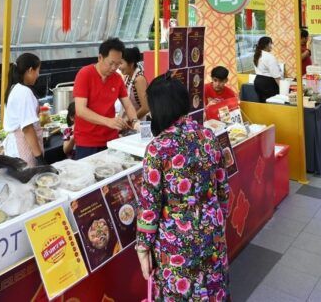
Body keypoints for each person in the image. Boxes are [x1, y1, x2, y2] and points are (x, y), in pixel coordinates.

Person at [135, 74, 230, 300]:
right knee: (211, 287)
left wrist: (143, 247)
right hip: (212, 228)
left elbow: (150, 204)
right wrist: (220, 217)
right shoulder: (208, 136)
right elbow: (223, 187)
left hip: (176, 239)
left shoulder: (157, 148)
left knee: (180, 292)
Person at [73, 38, 140, 159]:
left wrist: (135, 122)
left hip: (110, 139)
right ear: (100, 58)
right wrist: (108, 121)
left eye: (118, 64)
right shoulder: (85, 74)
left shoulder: (117, 78)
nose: (114, 68)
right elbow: (80, 110)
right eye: (111, 63)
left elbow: (128, 105)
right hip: (87, 141)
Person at [2, 53, 45, 167]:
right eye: (38, 71)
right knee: (28, 176)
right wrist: (39, 158)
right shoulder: (24, 92)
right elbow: (27, 128)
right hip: (23, 146)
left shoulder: (15, 88)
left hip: (16, 145)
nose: (38, 75)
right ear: (30, 70)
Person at [120, 47, 150, 120]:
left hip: (140, 121)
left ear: (131, 64)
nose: (119, 67)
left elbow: (145, 108)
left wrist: (130, 120)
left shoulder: (139, 79)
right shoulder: (127, 77)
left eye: (121, 63)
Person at [253, 36, 282, 102]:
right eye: (271, 44)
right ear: (267, 45)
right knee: (272, 103)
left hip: (258, 81)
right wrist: (282, 89)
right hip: (268, 83)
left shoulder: (256, 55)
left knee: (262, 103)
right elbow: (276, 75)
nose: (271, 46)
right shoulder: (269, 57)